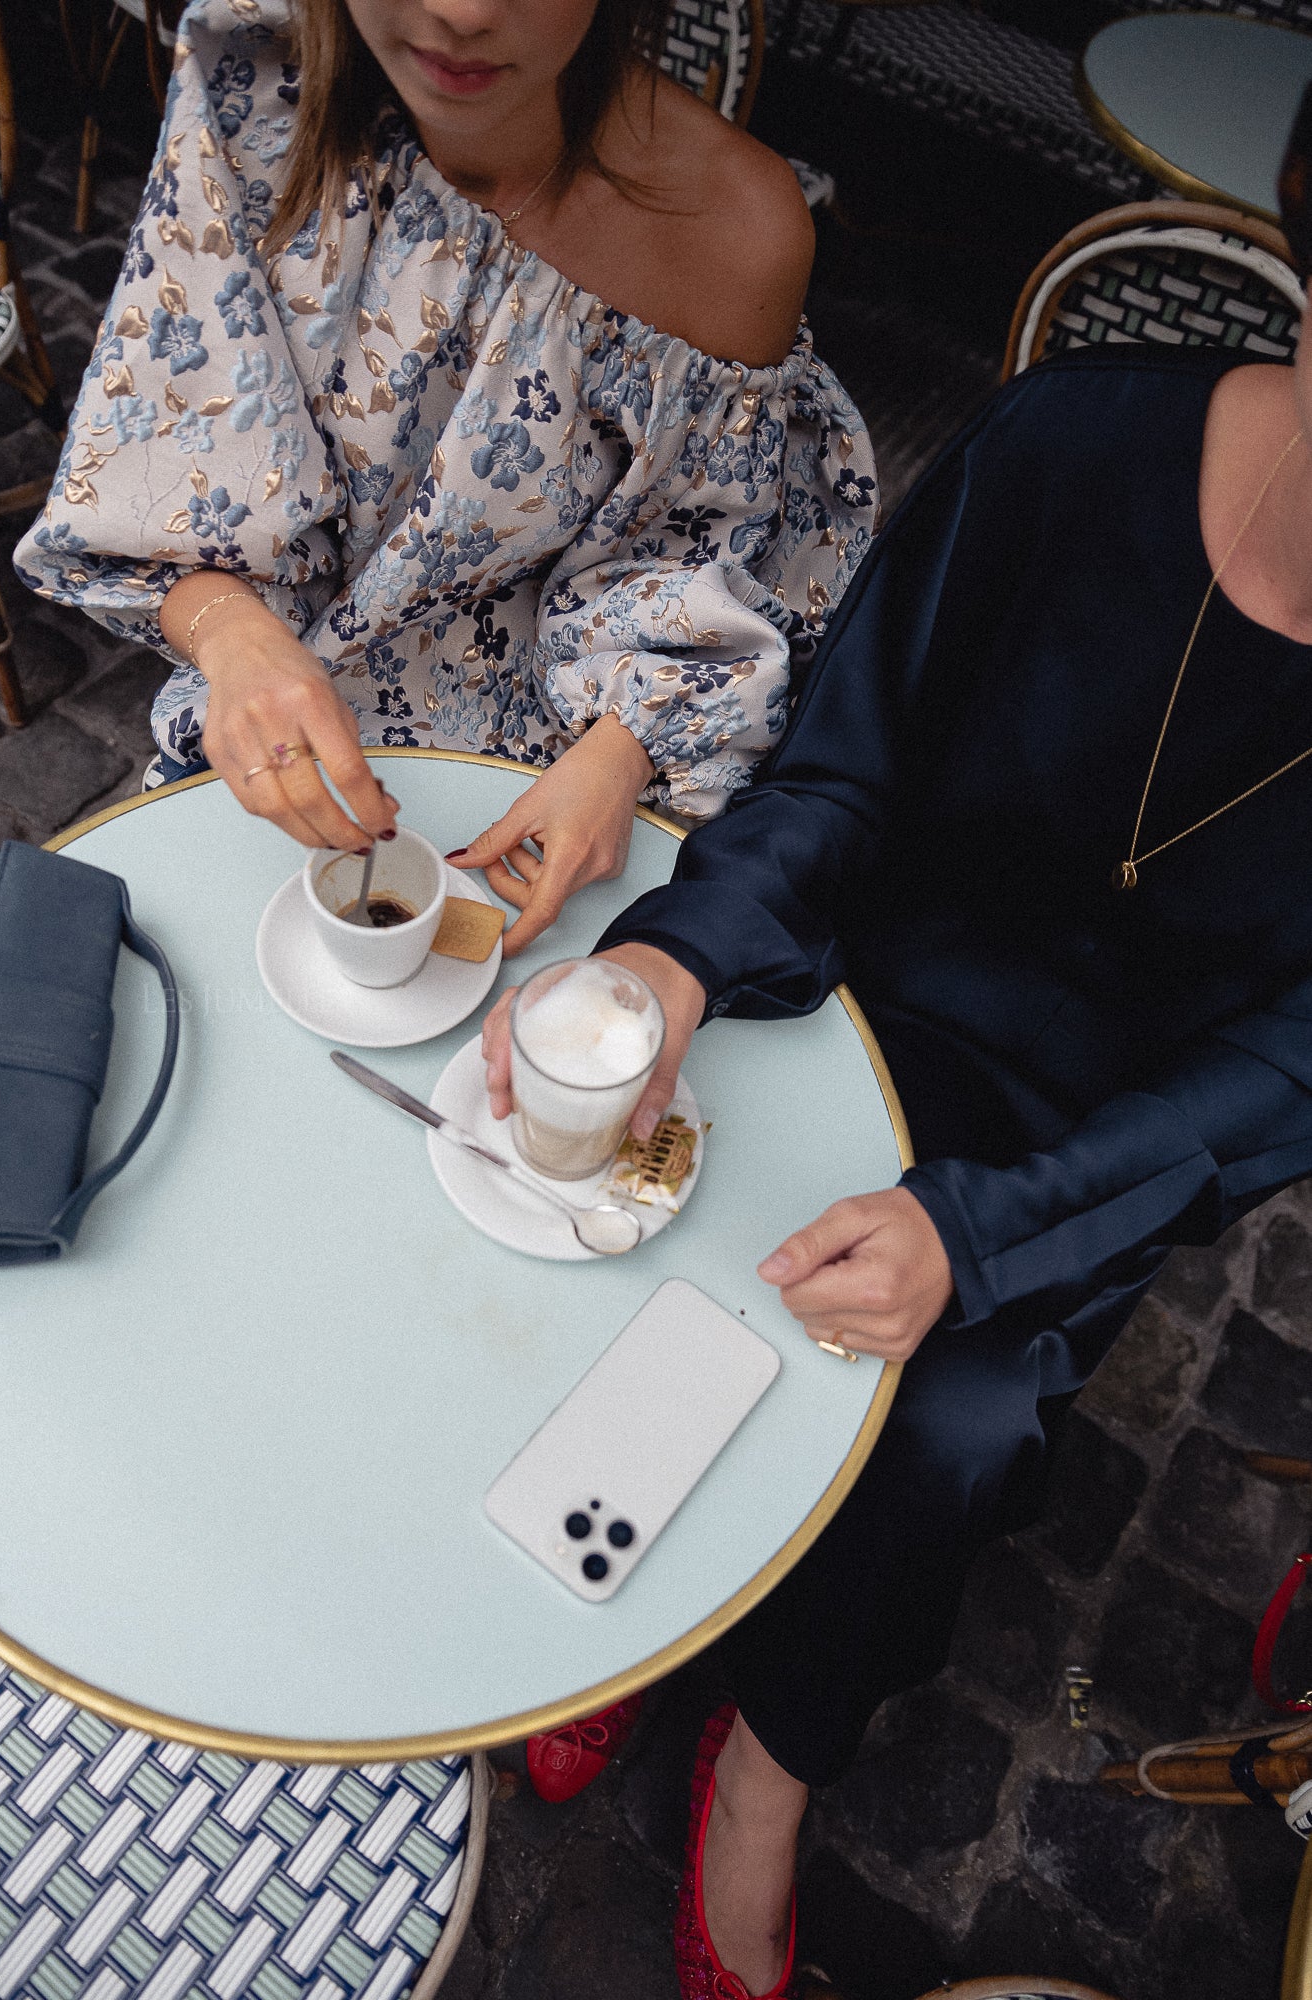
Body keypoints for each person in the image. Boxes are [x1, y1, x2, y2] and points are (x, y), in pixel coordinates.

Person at [481, 91, 1312, 2000]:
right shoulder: (1062, 448)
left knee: (943, 1416)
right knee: (642, 1192)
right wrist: (686, 962)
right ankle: (631, 1602)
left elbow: (1274, 1084)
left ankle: (766, 1774)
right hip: (843, 987)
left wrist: (986, 1232)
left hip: (1095, 1146)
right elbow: (840, 767)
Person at [15, 0, 877, 953]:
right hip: (264, 745)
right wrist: (238, 645)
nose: (461, 12)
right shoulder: (259, 81)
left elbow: (694, 558)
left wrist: (622, 754)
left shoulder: (734, 227)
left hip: (550, 796)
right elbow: (164, 452)